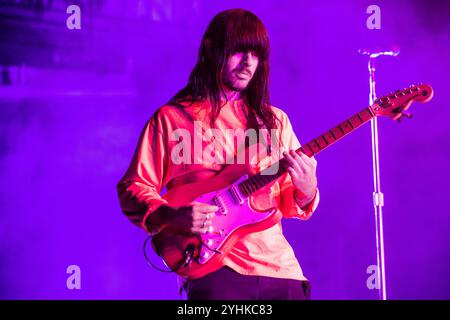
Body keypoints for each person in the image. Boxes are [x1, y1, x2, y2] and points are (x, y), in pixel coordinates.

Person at [117, 8, 319, 300]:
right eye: (239, 50)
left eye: (256, 53)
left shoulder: (275, 122)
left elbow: (290, 203)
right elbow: (133, 187)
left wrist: (307, 190)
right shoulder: (172, 119)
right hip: (213, 268)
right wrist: (172, 215)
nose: (249, 62)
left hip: (281, 270)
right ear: (212, 49)